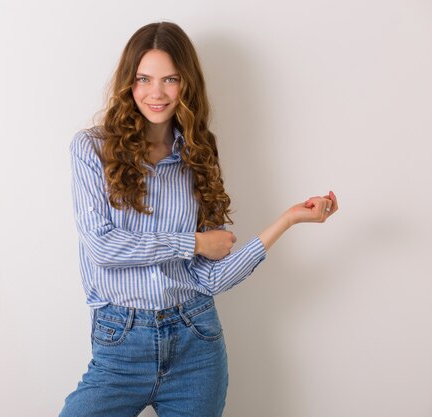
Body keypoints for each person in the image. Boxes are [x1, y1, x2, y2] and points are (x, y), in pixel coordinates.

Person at [59, 21, 338, 417]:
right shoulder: (91, 149)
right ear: (129, 83)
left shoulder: (198, 153)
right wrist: (190, 242)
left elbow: (208, 278)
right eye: (144, 79)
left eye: (170, 79)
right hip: (120, 342)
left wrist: (288, 220)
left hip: (196, 341)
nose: (156, 93)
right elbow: (103, 247)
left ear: (186, 83)